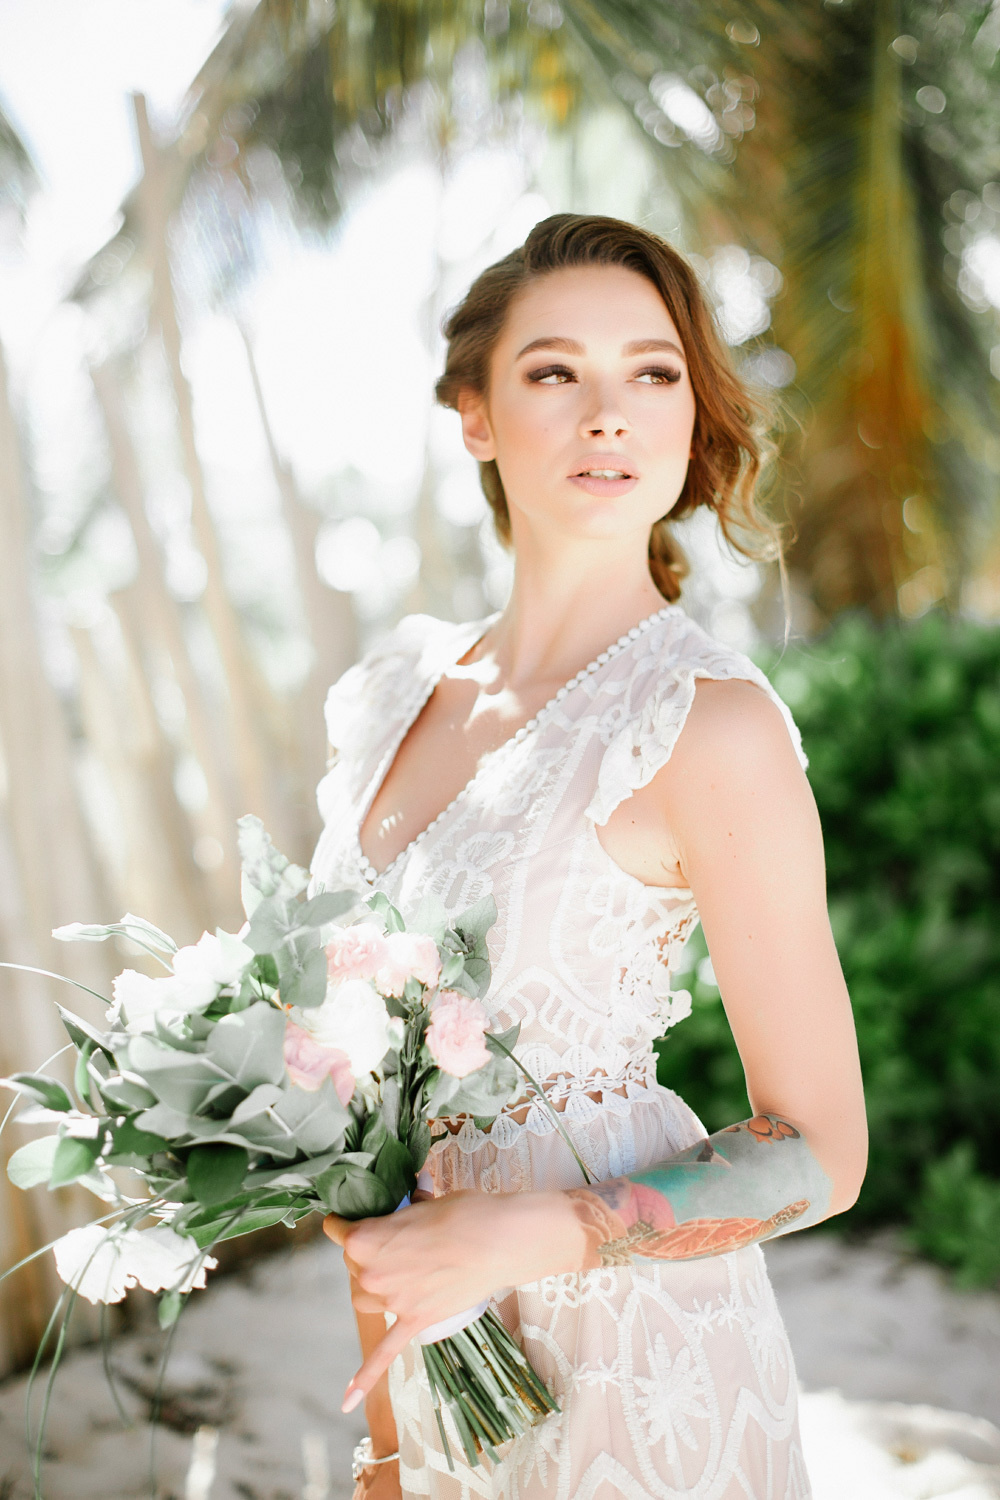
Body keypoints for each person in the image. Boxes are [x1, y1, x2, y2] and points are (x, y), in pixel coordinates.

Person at [311, 213, 867, 1500]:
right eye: (555, 372)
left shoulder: (706, 725)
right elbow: (364, 1142)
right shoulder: (386, 697)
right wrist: (389, 1442)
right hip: (430, 1363)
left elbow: (822, 1153)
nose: (607, 413)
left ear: (690, 415)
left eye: (653, 373)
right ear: (477, 416)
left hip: (634, 1369)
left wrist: (524, 1233)